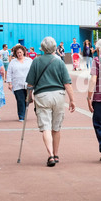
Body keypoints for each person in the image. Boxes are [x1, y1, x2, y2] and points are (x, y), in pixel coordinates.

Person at [26, 37, 75, 167]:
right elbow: (67, 83)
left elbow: (30, 84)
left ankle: (50, 155)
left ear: (42, 48)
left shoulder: (36, 61)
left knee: (46, 127)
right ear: (54, 48)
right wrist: (72, 100)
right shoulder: (59, 62)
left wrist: (29, 97)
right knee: (56, 127)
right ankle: (56, 153)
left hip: (42, 95)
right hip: (58, 95)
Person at [7, 45, 33, 122]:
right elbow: (9, 73)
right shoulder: (12, 62)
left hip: (28, 83)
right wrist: (9, 83)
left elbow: (33, 71)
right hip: (17, 84)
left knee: (26, 100)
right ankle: (21, 116)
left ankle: (24, 112)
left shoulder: (29, 61)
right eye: (17, 53)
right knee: (20, 100)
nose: (19, 54)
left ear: (23, 52)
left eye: (20, 52)